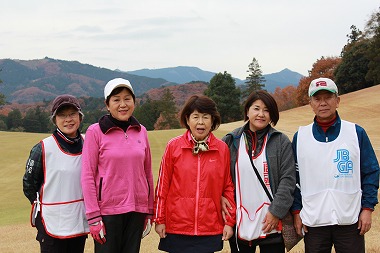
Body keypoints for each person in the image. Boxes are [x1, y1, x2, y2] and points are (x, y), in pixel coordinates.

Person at [291, 77, 380, 253]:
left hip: (350, 221)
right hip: (314, 222)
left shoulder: (356, 133)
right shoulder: (300, 137)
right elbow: (294, 179)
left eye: (328, 97)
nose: (323, 103)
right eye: (317, 98)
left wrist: (367, 208)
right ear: (310, 103)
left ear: (337, 101)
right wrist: (296, 212)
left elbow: (371, 172)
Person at [153, 94, 236, 253]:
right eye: (195, 117)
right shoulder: (174, 146)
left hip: (209, 226)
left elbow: (228, 187)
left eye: (206, 117)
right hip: (177, 226)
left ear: (212, 120)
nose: (200, 122)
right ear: (187, 119)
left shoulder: (222, 149)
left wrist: (229, 222)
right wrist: (159, 219)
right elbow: (162, 186)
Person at [81, 78, 154, 253]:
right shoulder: (95, 131)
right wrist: (93, 217)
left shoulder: (141, 131)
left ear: (134, 102)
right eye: (116, 99)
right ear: (107, 104)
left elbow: (147, 173)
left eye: (127, 98)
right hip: (107, 212)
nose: (123, 104)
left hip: (137, 210)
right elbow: (87, 176)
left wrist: (149, 211)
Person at [221, 90, 296, 253]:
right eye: (256, 108)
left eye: (266, 110)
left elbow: (288, 179)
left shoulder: (280, 141)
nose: (261, 114)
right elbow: (218, 177)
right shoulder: (231, 140)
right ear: (247, 111)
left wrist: (276, 211)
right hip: (240, 221)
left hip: (272, 222)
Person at [23, 94, 89, 253]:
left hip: (78, 221)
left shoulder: (89, 143)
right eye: (62, 115)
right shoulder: (42, 148)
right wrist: (47, 208)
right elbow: (29, 185)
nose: (68, 119)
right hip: (51, 223)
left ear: (80, 117)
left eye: (73, 114)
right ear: (54, 119)